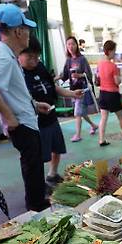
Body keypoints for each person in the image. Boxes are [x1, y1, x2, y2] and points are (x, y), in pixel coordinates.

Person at [0, 3, 50, 212]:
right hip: (22, 124)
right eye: (26, 29)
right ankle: (36, 208)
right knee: (32, 167)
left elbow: (8, 91)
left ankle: (38, 202)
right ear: (18, 31)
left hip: (27, 119)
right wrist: (9, 117)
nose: (28, 34)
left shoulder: (8, 56)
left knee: (34, 167)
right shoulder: (4, 57)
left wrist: (35, 105)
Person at [19, 39, 84, 184]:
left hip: (51, 116)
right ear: (19, 55)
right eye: (30, 58)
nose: (34, 61)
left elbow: (53, 87)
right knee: (38, 155)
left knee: (57, 147)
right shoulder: (18, 73)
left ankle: (52, 174)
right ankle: (39, 184)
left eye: (36, 57)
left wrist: (72, 93)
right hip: (34, 122)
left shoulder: (40, 67)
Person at [60, 37, 98, 142]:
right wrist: (54, 78)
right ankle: (93, 125)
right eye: (68, 45)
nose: (70, 47)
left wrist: (80, 75)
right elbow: (65, 75)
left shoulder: (82, 59)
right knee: (82, 112)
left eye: (72, 44)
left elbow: (89, 74)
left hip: (82, 90)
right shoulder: (68, 60)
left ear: (77, 45)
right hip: (73, 90)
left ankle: (78, 135)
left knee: (77, 113)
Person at [96, 40, 122, 146]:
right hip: (112, 95)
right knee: (120, 117)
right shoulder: (113, 67)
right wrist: (120, 78)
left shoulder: (100, 64)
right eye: (114, 51)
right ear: (110, 51)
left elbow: (98, 79)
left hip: (102, 93)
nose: (115, 53)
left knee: (103, 118)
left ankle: (101, 140)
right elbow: (117, 81)